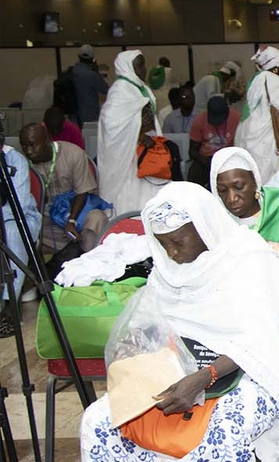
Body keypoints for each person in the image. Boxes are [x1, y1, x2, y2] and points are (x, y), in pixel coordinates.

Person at [79, 183, 279, 462]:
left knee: (228, 427)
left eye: (179, 241)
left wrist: (204, 377)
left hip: (248, 373)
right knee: (100, 420)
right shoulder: (166, 267)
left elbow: (269, 339)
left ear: (205, 228)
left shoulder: (248, 261)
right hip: (180, 372)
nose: (173, 253)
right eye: (164, 244)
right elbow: (157, 329)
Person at [210, 147, 279, 282]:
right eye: (222, 190)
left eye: (239, 187)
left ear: (255, 183)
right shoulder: (217, 221)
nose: (232, 198)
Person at [20, 122, 105, 257]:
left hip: (77, 214)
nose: (29, 151)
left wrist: (71, 221)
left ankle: (90, 262)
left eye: (33, 145)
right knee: (21, 229)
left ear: (47, 140)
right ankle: (41, 272)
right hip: (48, 221)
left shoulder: (73, 153)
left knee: (97, 218)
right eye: (25, 147)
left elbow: (83, 191)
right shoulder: (24, 166)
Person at [98, 50, 165, 215]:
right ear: (127, 67)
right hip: (127, 155)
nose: (144, 69)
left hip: (147, 151)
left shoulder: (140, 88)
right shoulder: (121, 90)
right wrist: (139, 136)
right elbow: (110, 121)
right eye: (139, 65)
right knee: (130, 195)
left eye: (143, 64)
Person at [236, 47, 279, 184]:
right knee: (270, 183)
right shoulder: (273, 80)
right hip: (265, 144)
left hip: (250, 139)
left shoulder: (256, 79)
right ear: (276, 68)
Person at [0, 143, 40, 335]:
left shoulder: (15, 159)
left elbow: (20, 205)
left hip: (18, 218)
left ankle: (10, 307)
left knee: (13, 233)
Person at [187, 96, 240, 190]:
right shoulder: (199, 120)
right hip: (206, 159)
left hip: (229, 158)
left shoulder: (237, 119)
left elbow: (242, 146)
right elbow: (192, 151)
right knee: (193, 175)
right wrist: (204, 161)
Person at [59, 45, 109, 124]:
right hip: (89, 116)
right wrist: (97, 71)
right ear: (92, 59)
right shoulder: (92, 75)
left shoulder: (71, 71)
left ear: (78, 56)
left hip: (73, 115)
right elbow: (105, 90)